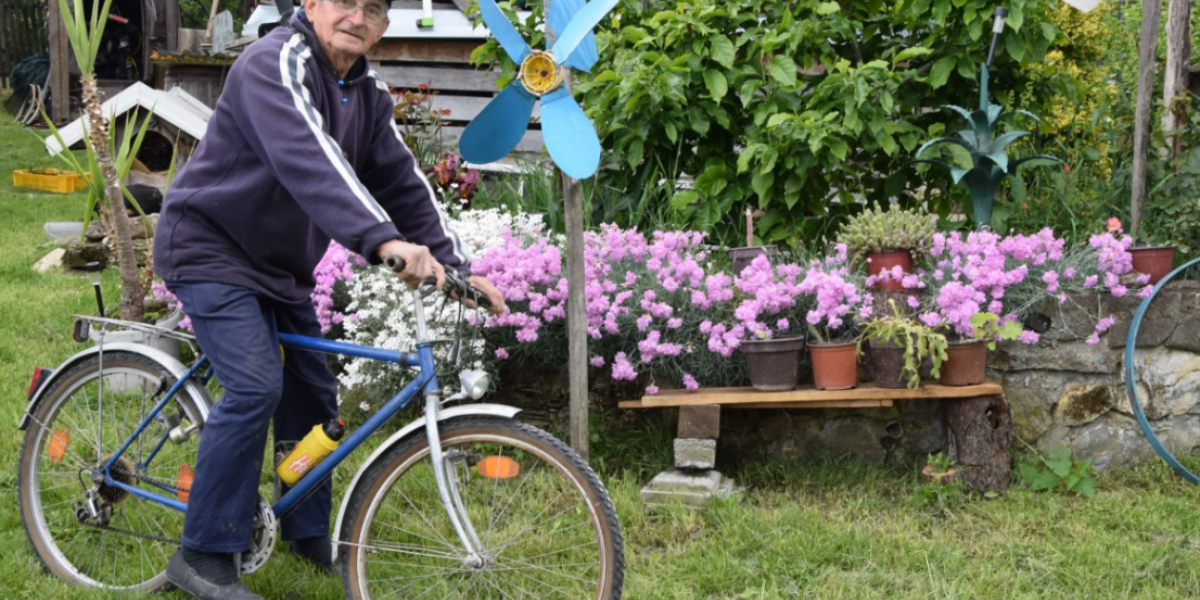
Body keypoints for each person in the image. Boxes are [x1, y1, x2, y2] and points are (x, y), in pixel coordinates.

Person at [152, 0, 505, 597]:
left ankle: (307, 530)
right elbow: (310, 160)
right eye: (346, 1)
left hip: (278, 270)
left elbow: (399, 180)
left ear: (384, 27)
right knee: (256, 384)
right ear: (311, 4)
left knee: (314, 393)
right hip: (210, 250)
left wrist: (453, 267)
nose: (358, 17)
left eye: (373, 9)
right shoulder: (274, 63)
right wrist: (383, 241)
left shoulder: (367, 95)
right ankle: (204, 553)